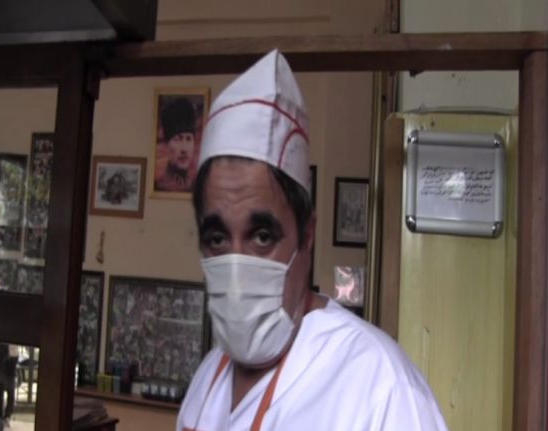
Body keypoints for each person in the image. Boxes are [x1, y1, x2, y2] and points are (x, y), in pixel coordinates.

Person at [177, 50, 448, 430]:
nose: (237, 268)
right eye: (218, 238)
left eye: (262, 236)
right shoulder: (208, 378)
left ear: (307, 236)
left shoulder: (381, 387)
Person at [156, 97, 198, 192]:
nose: (184, 149)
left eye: (188, 139)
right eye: (177, 139)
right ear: (167, 144)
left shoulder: (197, 186)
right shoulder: (160, 186)